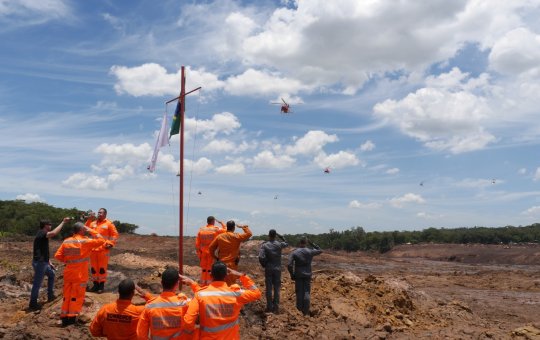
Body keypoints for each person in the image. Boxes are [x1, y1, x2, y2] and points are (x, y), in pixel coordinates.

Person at [183, 261, 261, 340]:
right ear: (226, 275)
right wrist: (241, 275)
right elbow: (256, 292)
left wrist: (192, 332)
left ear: (210, 275)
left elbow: (188, 321)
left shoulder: (200, 295)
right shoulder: (236, 294)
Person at [54, 222, 106, 326]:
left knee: (67, 296)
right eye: (84, 229)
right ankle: (72, 319)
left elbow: (58, 255)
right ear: (82, 230)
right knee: (76, 297)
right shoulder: (85, 241)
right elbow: (102, 240)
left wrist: (69, 261)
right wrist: (91, 230)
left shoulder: (67, 241)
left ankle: (64, 317)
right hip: (80, 275)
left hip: (68, 273)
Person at [136, 267, 198, 340]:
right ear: (177, 284)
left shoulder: (149, 307)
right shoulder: (184, 304)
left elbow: (141, 335)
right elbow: (200, 298)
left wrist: (148, 297)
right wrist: (193, 284)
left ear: (161, 283)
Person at [28, 217, 70, 311]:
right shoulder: (42, 233)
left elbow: (42, 250)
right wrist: (63, 222)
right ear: (45, 226)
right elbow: (54, 233)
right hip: (40, 263)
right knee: (37, 284)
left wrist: (49, 262)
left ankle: (50, 295)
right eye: (49, 224)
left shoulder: (42, 235)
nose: (51, 226)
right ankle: (33, 303)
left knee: (52, 275)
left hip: (43, 262)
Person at [89, 279, 153, 339]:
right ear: (133, 293)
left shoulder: (105, 309)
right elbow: (157, 306)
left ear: (119, 291)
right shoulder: (139, 311)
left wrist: (108, 333)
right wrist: (146, 295)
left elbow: (94, 331)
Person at [208, 221, 252, 285]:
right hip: (232, 265)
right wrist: (244, 227)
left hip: (221, 264)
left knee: (221, 283)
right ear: (234, 228)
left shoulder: (220, 236)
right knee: (231, 283)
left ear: (227, 227)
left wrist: (215, 257)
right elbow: (249, 234)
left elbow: (211, 248)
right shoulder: (237, 236)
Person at [287, 237, 322, 316]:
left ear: (299, 243)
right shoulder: (310, 251)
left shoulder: (294, 252)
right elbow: (320, 250)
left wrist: (292, 274)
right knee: (306, 292)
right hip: (307, 274)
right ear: (306, 243)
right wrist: (312, 243)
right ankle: (306, 311)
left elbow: (289, 264)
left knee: (299, 292)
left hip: (298, 274)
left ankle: (299, 310)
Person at [87, 208, 119, 293]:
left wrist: (110, 243)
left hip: (103, 250)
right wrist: (89, 219)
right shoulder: (93, 223)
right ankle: (95, 285)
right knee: (94, 269)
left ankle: (101, 286)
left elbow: (115, 235)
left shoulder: (109, 223)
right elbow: (85, 229)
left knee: (102, 269)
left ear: (105, 214)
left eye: (101, 213)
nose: (99, 214)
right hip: (93, 250)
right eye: (98, 212)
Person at [258, 229, 288, 313]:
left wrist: (264, 264)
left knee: (268, 288)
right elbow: (287, 243)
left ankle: (269, 307)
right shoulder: (280, 244)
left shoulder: (264, 245)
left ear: (268, 235)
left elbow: (260, 257)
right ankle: (276, 307)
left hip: (269, 268)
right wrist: (282, 237)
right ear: (275, 236)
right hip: (277, 268)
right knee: (277, 288)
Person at [195, 216, 225, 286]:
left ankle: (203, 283)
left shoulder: (201, 229)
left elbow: (197, 243)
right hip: (212, 252)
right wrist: (222, 223)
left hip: (203, 253)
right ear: (213, 221)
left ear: (207, 221)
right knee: (210, 268)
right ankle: (209, 284)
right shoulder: (216, 229)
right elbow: (226, 230)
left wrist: (199, 253)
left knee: (204, 268)